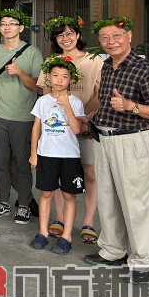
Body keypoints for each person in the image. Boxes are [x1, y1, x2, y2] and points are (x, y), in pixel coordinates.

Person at [83, 17, 149, 282]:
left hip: (132, 141)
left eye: (117, 36)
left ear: (129, 36)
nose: (111, 42)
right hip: (105, 139)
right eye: (105, 38)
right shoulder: (107, 66)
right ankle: (112, 250)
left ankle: (142, 262)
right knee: (107, 198)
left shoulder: (146, 69)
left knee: (136, 202)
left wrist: (132, 106)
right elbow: (103, 101)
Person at [38, 16, 102, 244]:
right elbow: (46, 94)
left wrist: (87, 118)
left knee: (90, 173)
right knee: (57, 173)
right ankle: (60, 219)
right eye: (60, 35)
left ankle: (88, 222)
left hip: (86, 124)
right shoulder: (51, 61)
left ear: (78, 35)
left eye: (69, 33)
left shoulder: (93, 60)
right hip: (58, 130)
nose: (65, 38)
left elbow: (98, 92)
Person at [0, 8, 43, 225]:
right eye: (3, 23)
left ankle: (23, 205)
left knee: (22, 163)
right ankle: (3, 202)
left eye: (11, 23)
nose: (7, 27)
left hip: (23, 117)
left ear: (21, 28)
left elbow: (38, 86)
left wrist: (20, 73)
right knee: (1, 162)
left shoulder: (32, 52)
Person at [29, 55, 85, 255]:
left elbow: (78, 129)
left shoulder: (75, 102)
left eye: (64, 76)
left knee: (69, 195)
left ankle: (66, 236)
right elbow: (37, 128)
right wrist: (33, 153)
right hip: (47, 154)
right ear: (48, 78)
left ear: (71, 80)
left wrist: (66, 105)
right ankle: (42, 232)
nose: (59, 80)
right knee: (46, 193)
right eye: (55, 75)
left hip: (69, 156)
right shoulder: (43, 101)